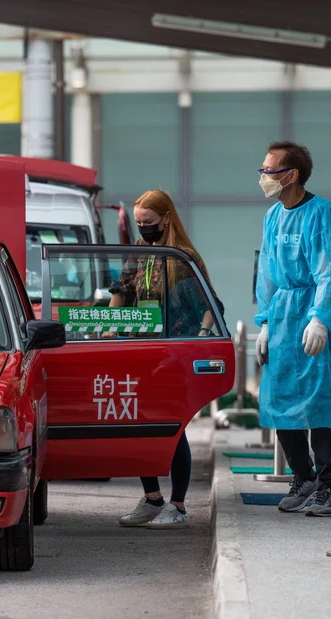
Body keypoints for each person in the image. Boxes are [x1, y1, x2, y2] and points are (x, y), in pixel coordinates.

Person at [112, 189, 223, 529]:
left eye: (148, 222)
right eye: (138, 223)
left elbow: (210, 305)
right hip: (140, 348)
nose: (143, 228)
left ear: (166, 218)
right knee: (139, 425)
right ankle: (152, 498)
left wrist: (203, 336)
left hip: (175, 352)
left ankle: (178, 505)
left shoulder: (183, 257)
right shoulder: (140, 253)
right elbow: (121, 292)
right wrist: (109, 326)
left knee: (173, 428)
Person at [254, 140, 331, 518]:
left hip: (313, 313)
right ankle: (302, 476)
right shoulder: (273, 216)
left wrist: (320, 319)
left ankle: (329, 487)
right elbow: (267, 274)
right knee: (280, 401)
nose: (263, 177)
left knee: (319, 404)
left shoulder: (321, 213)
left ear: (291, 175)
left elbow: (329, 271)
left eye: (269, 170)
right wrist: (264, 323)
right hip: (282, 314)